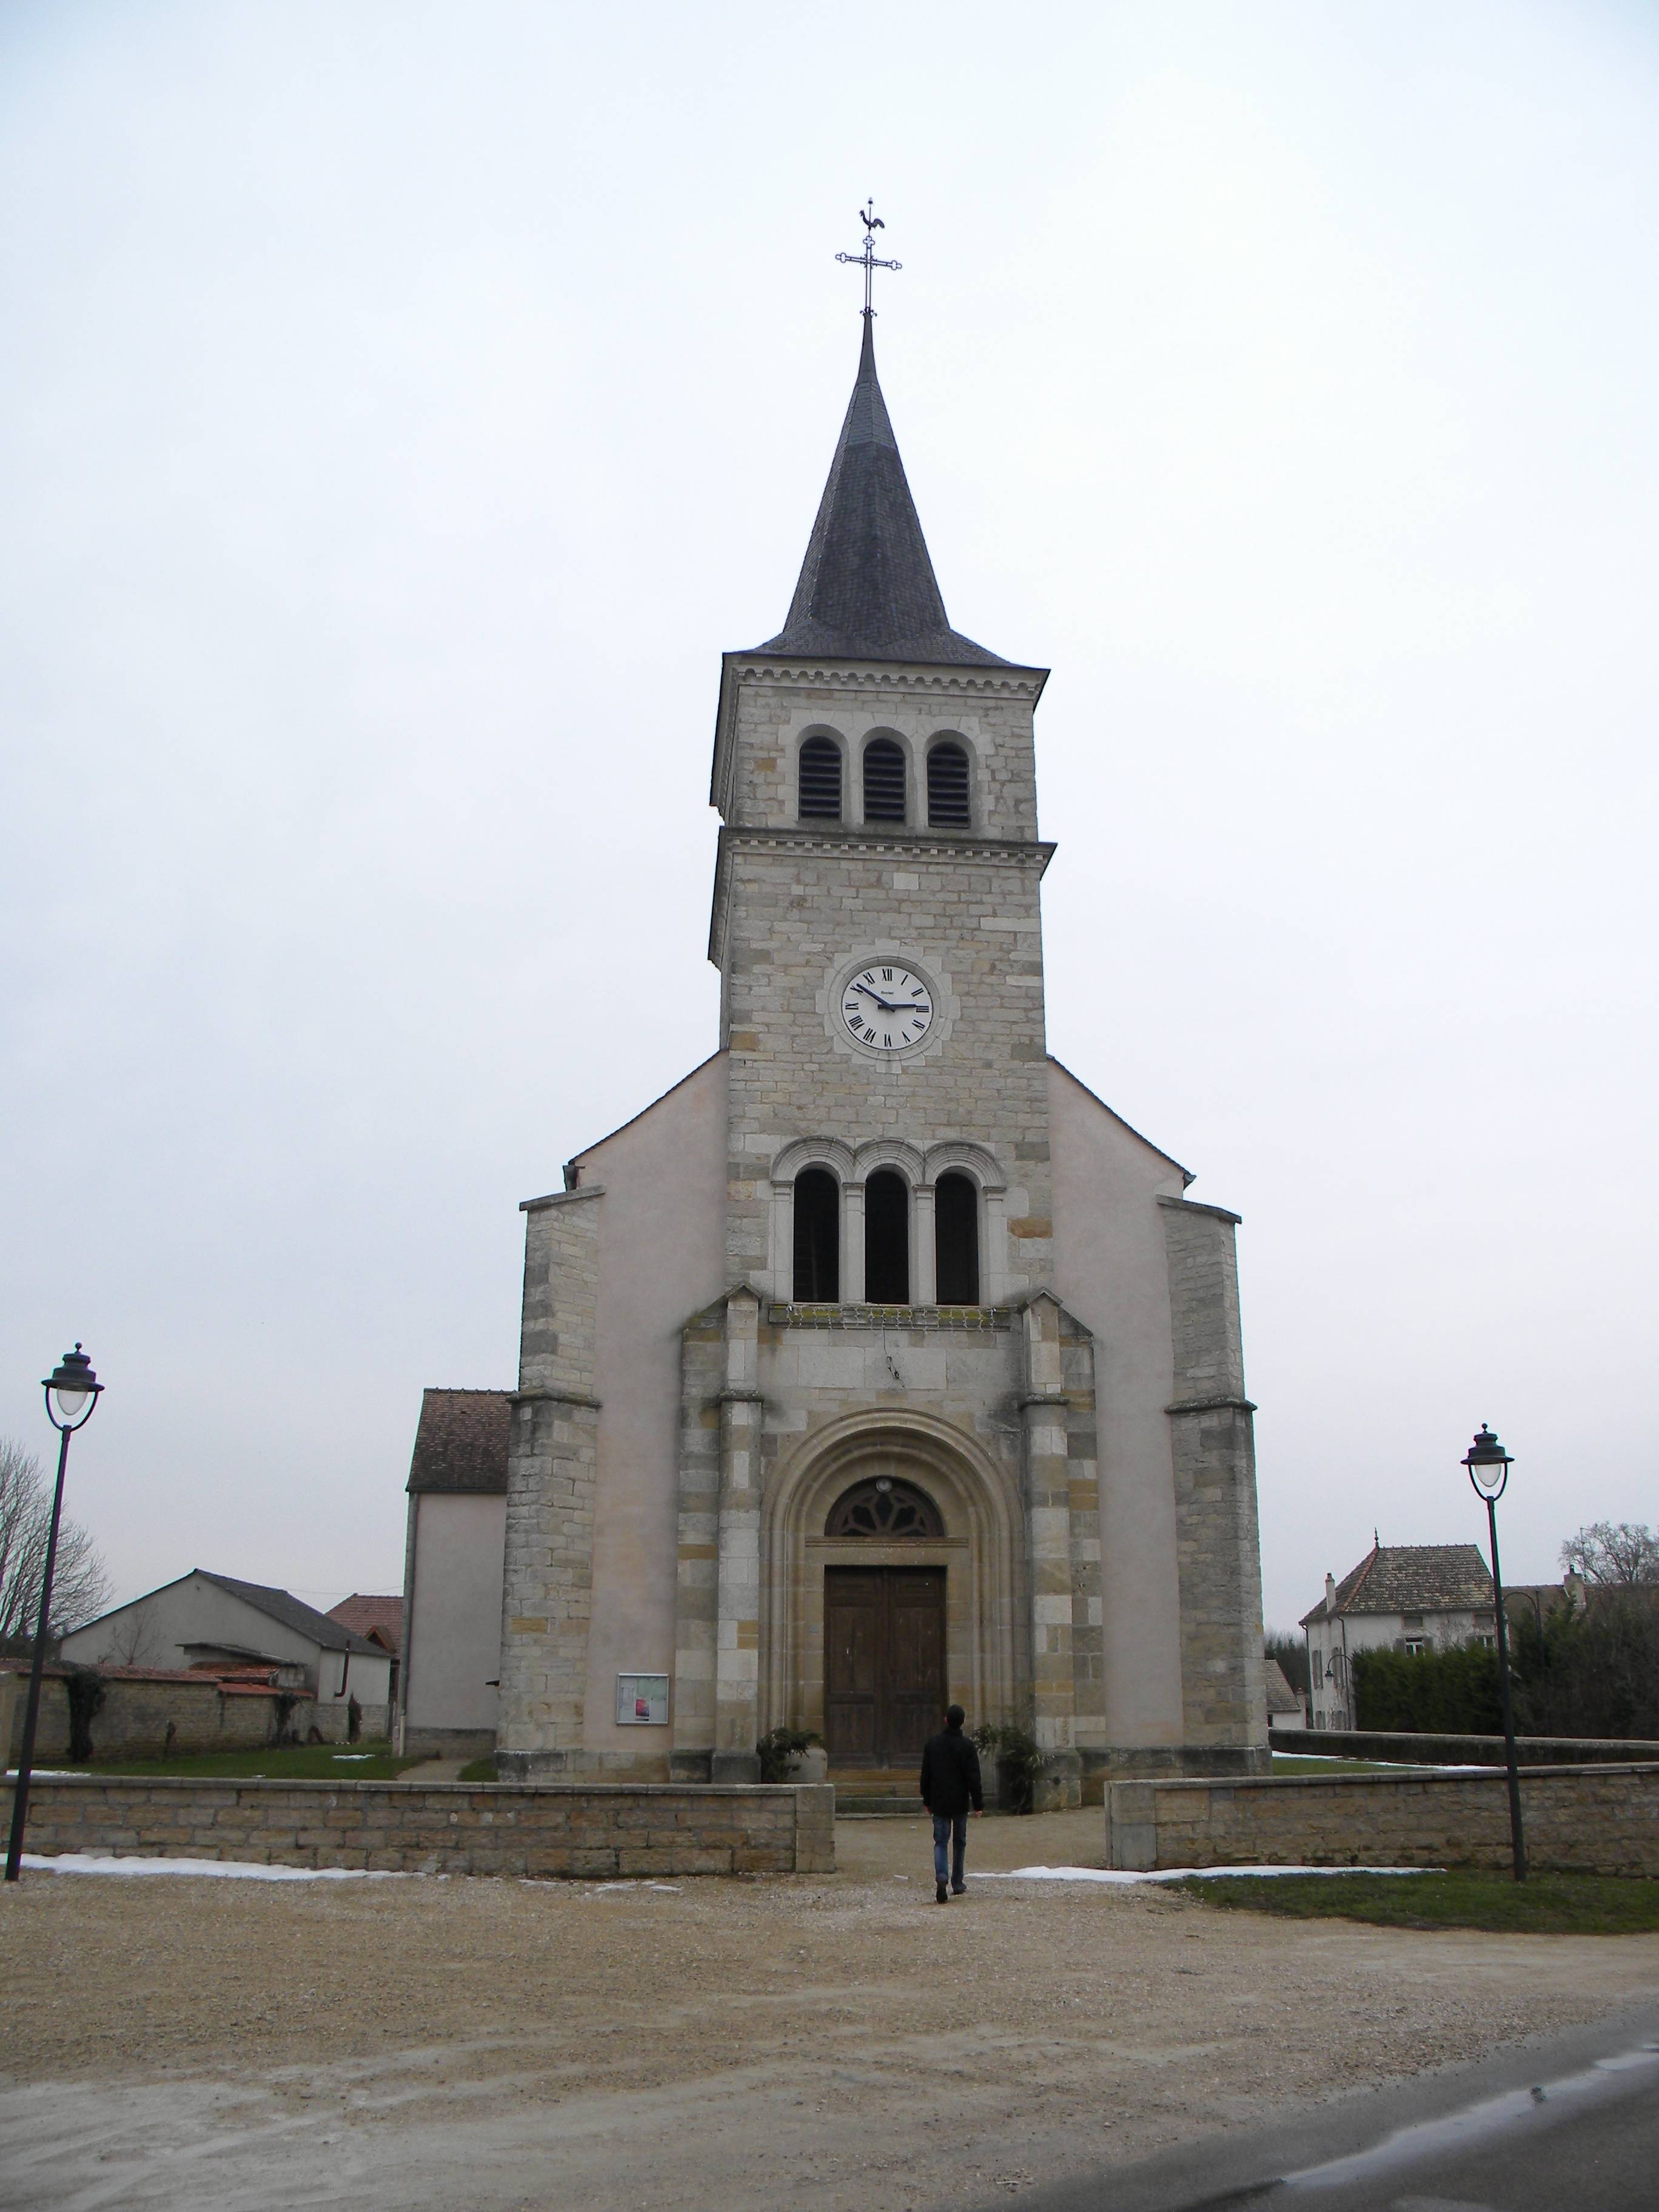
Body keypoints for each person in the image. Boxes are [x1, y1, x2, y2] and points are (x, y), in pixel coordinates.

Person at [918, 1703, 984, 1903]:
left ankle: (942, 1875)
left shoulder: (933, 1744)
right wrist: (978, 1803)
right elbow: (974, 1777)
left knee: (940, 1842)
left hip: (939, 1800)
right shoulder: (967, 1746)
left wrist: (927, 1799)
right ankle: (957, 1882)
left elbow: (926, 1776)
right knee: (959, 1842)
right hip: (960, 1801)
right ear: (963, 1722)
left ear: (946, 1720)